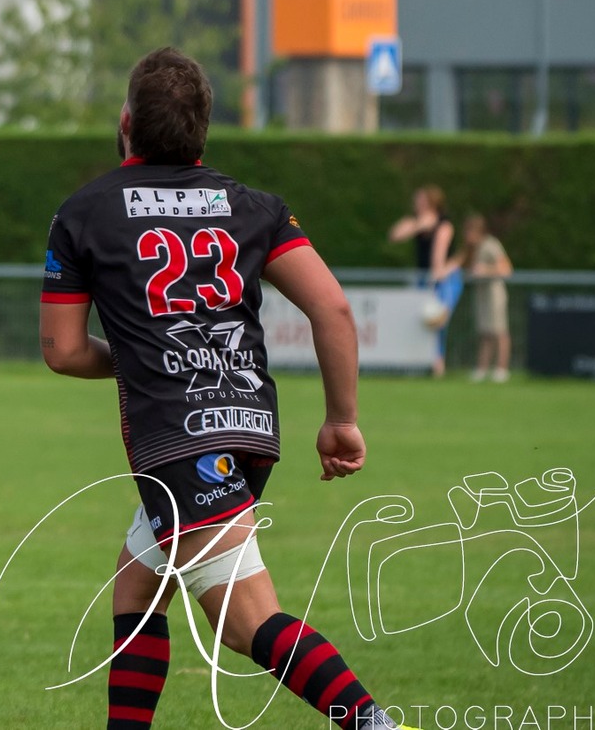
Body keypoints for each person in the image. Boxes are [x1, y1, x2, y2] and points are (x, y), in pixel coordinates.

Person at [40, 48, 409, 730]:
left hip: (179, 442)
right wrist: (341, 420)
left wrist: (149, 360)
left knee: (247, 623)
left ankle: (372, 723)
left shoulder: (84, 212)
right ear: (202, 130)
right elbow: (332, 308)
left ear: (126, 122)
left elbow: (62, 350)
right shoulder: (254, 207)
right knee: (137, 589)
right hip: (250, 427)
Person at [389, 186, 459, 376]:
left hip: (444, 280)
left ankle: (438, 364)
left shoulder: (444, 225)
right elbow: (395, 235)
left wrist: (435, 279)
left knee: (437, 320)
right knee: (419, 321)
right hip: (424, 279)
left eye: (420, 200)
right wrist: (419, 226)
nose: (416, 204)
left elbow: (438, 258)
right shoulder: (415, 222)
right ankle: (423, 363)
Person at [461, 214, 512, 384]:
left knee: (500, 331)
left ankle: (501, 369)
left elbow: (506, 268)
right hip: (481, 294)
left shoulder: (491, 245)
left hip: (494, 293)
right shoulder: (473, 248)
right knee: (485, 332)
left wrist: (486, 270)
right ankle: (482, 369)